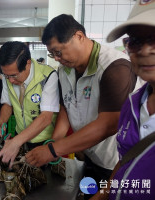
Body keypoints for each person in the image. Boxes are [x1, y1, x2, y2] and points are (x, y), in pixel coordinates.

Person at [25, 14, 137, 199]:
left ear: (79, 36)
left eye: (59, 52)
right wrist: (55, 140)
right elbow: (66, 108)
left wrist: (54, 150)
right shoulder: (65, 70)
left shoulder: (114, 67)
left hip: (115, 162)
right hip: (88, 155)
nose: (57, 58)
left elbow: (109, 124)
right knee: (86, 194)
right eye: (53, 54)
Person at [91, 1, 155, 199]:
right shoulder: (133, 103)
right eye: (135, 41)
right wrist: (101, 196)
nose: (145, 51)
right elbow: (125, 160)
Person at [0, 41, 60, 168]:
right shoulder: (8, 77)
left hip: (44, 140)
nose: (10, 80)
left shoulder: (48, 76)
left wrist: (15, 143)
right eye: (6, 75)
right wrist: (2, 123)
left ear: (28, 63)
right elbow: (7, 104)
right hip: (21, 136)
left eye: (14, 75)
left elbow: (46, 117)